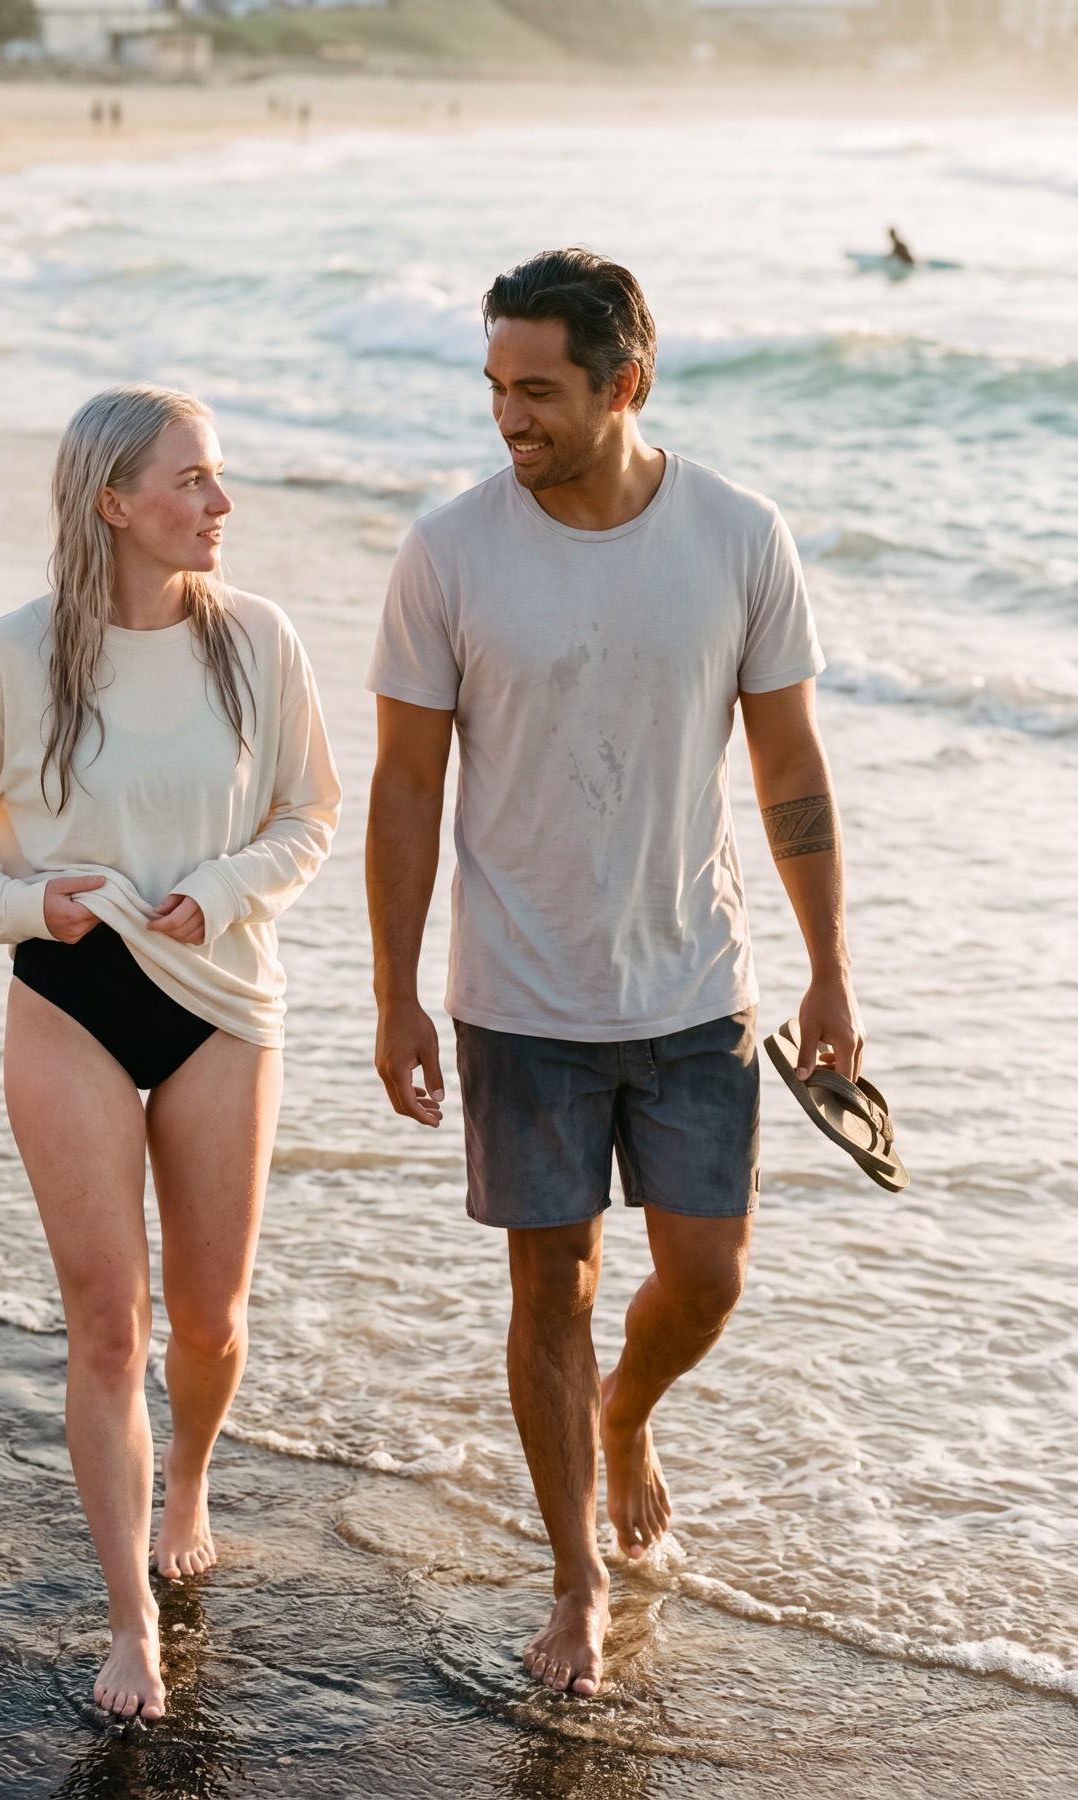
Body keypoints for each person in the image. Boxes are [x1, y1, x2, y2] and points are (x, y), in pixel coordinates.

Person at [365, 249, 859, 1697]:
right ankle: (575, 1579)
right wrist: (392, 989)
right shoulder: (448, 552)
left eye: (538, 392)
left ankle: (627, 1417)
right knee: (550, 1294)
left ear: (624, 384)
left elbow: (787, 767)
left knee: (704, 1276)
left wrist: (831, 968)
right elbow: (403, 787)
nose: (507, 420)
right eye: (493, 389)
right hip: (520, 994)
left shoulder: (735, 536)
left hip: (697, 982)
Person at [0, 385, 340, 1721]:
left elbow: (310, 808)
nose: (220, 503)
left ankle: (190, 1482)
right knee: (107, 1329)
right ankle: (130, 1624)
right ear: (114, 503)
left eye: (217, 477)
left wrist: (226, 887)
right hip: (71, 998)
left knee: (207, 1322)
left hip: (218, 997)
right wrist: (32, 905)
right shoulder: (12, 655)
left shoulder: (257, 640)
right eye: (194, 479)